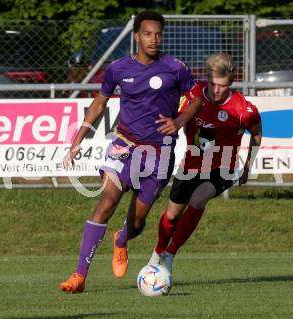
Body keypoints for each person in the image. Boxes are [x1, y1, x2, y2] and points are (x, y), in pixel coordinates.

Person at [59, 10, 202, 293]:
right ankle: (78, 276)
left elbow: (197, 98)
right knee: (106, 202)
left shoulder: (175, 68)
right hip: (124, 146)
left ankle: (121, 240)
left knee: (136, 223)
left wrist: (179, 121)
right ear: (137, 36)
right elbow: (99, 103)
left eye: (158, 34)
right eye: (148, 34)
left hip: (159, 155)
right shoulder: (118, 69)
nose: (154, 39)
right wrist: (78, 140)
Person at [148, 53, 262, 273]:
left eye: (221, 85)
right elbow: (179, 117)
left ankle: (170, 255)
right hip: (191, 164)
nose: (215, 89)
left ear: (231, 82)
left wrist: (248, 164)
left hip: (223, 167)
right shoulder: (195, 94)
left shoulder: (243, 110)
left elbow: (257, 133)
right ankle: (157, 254)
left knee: (199, 198)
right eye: (211, 83)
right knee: (172, 214)